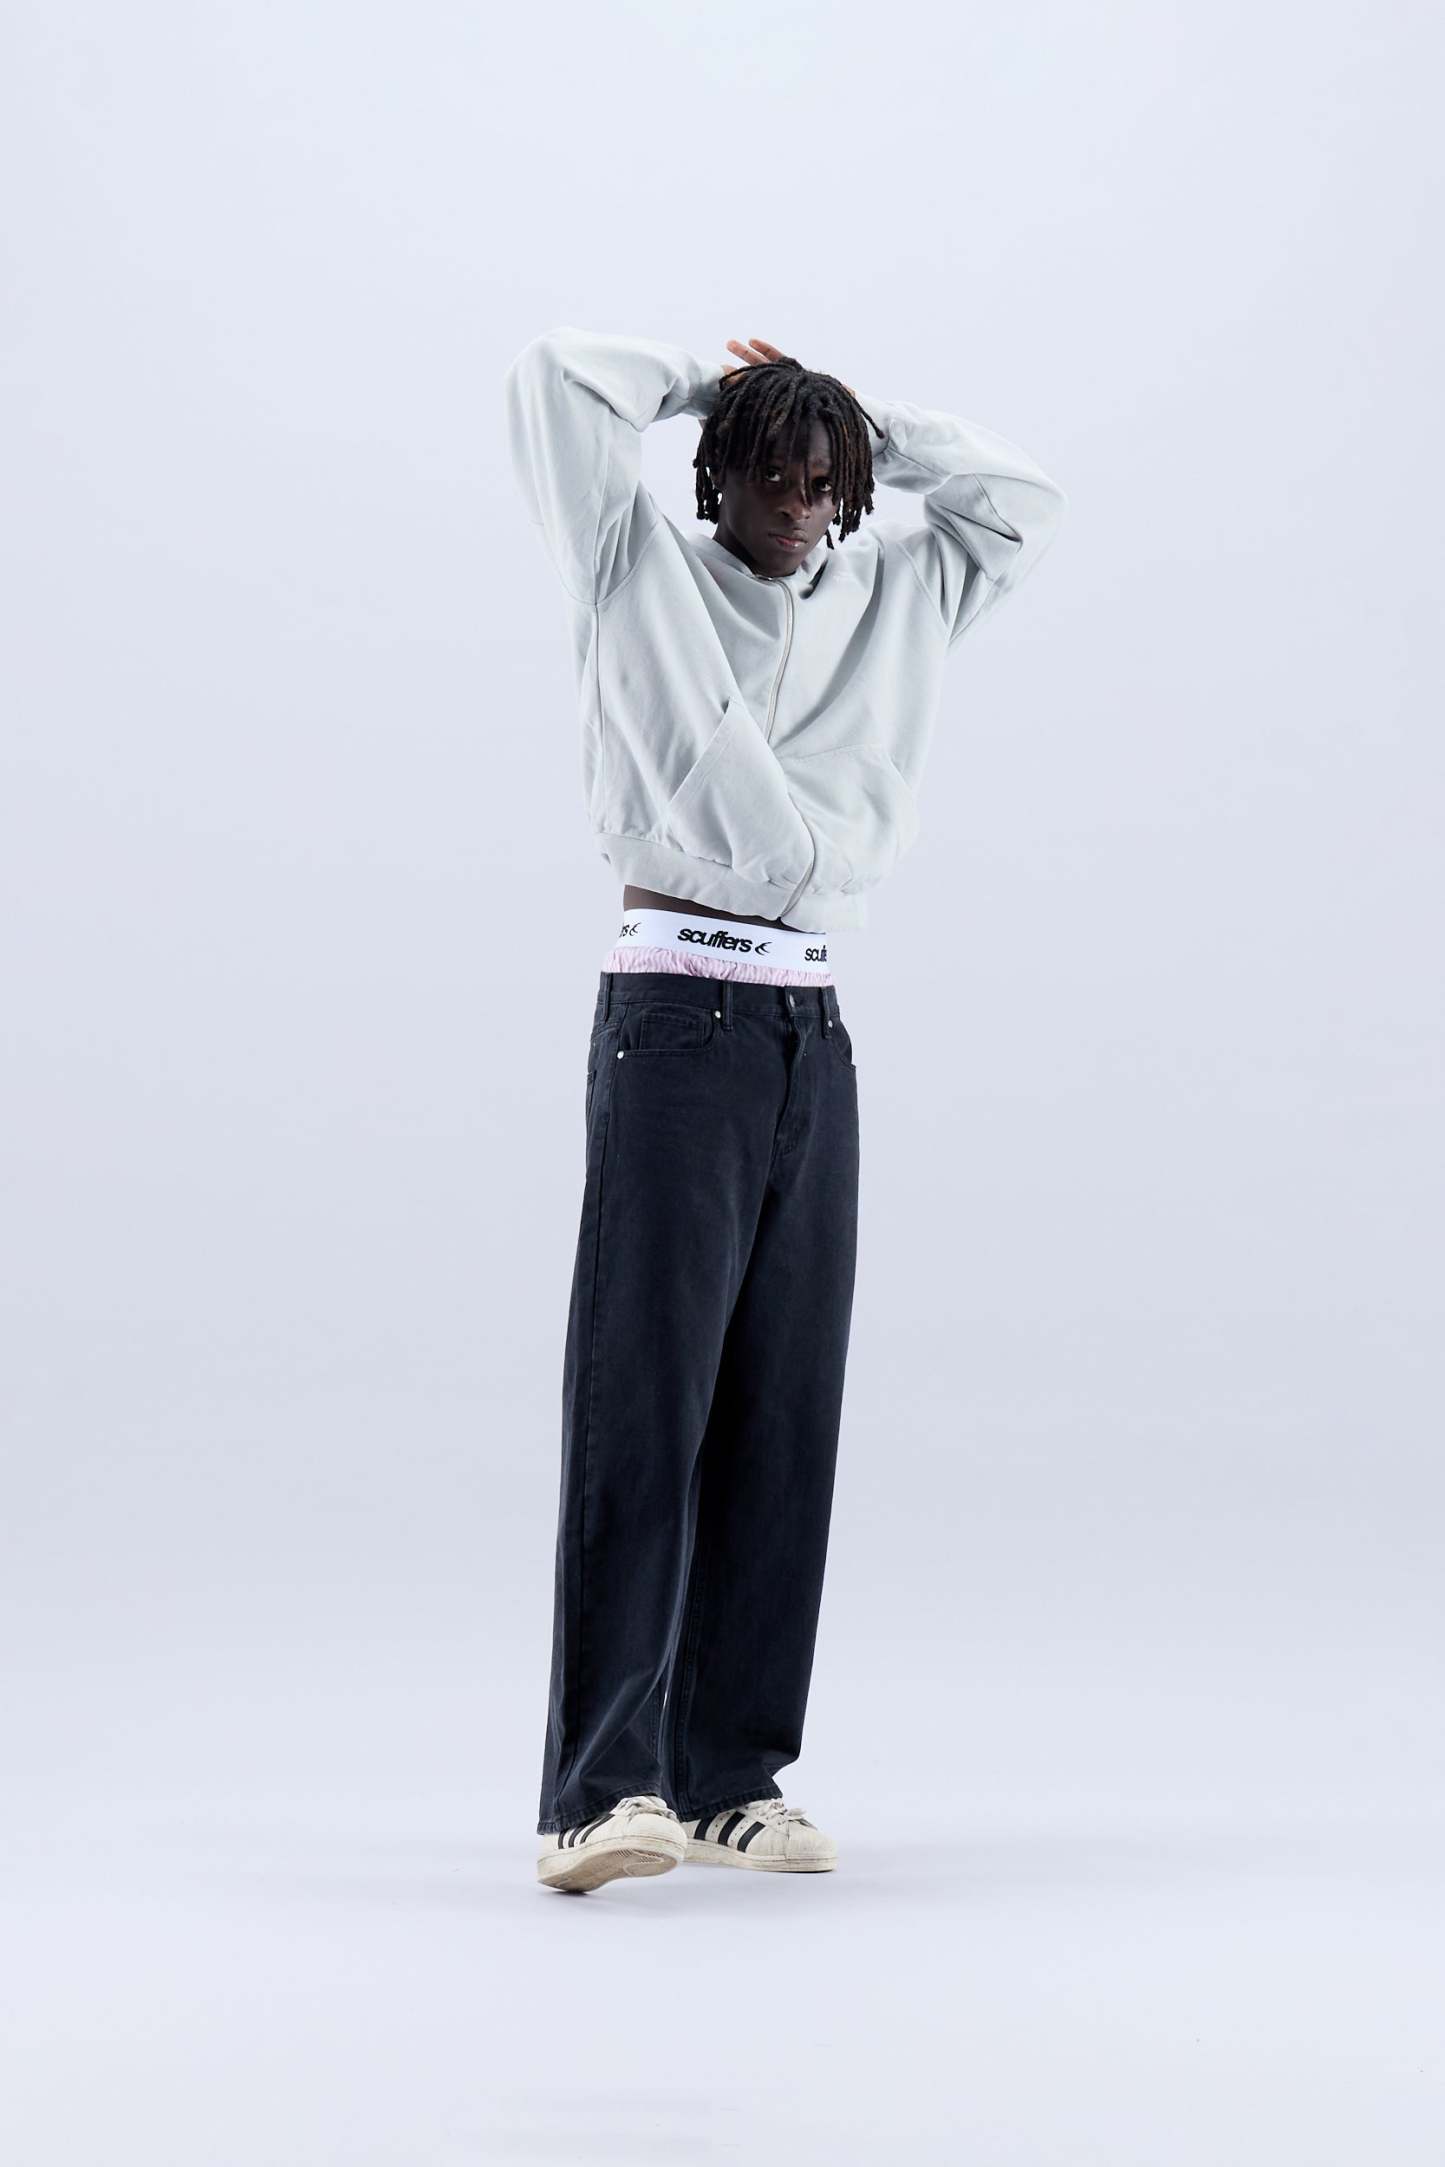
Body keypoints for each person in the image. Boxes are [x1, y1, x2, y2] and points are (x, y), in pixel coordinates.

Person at [503, 327, 1066, 1893]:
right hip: (673, 1015)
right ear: (715, 474)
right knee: (645, 1401)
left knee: (781, 1412)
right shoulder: (632, 566)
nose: (799, 507)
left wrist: (856, 410)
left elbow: (1023, 499)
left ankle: (728, 1778)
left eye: (824, 482)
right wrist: (723, 378)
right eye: (770, 474)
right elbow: (555, 379)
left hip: (810, 1027)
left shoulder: (898, 591)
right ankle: (597, 1791)